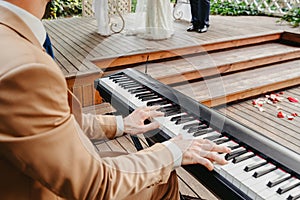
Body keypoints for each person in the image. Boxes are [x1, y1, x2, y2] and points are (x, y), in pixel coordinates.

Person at [0, 0, 230, 199]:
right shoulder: (26, 69)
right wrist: (172, 151)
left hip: (34, 171)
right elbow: (94, 184)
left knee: (142, 163)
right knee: (163, 178)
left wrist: (121, 124)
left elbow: (54, 121)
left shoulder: (10, 34)